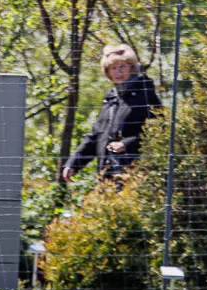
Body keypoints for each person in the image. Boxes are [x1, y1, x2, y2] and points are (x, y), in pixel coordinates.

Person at [62, 43, 161, 184]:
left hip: (136, 173)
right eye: (113, 68)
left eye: (122, 66)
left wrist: (126, 144)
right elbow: (95, 136)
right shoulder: (111, 98)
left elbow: (159, 131)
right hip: (107, 175)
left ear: (131, 68)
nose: (118, 72)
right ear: (107, 72)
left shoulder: (145, 95)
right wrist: (73, 164)